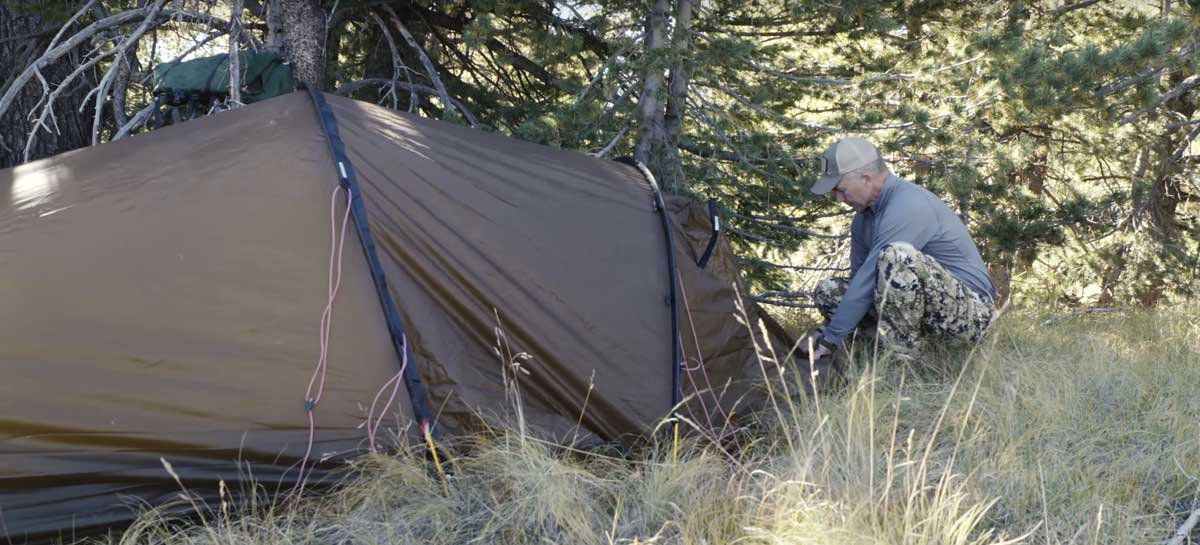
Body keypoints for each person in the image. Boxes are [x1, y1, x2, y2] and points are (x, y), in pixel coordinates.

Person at [803, 137, 996, 363]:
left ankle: (905, 366)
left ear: (866, 179)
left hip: (972, 315)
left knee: (896, 256)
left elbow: (869, 279)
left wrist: (831, 339)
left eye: (841, 190)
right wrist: (826, 329)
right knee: (829, 291)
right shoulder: (862, 220)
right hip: (924, 308)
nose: (838, 199)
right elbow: (858, 282)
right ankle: (890, 347)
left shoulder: (908, 205)